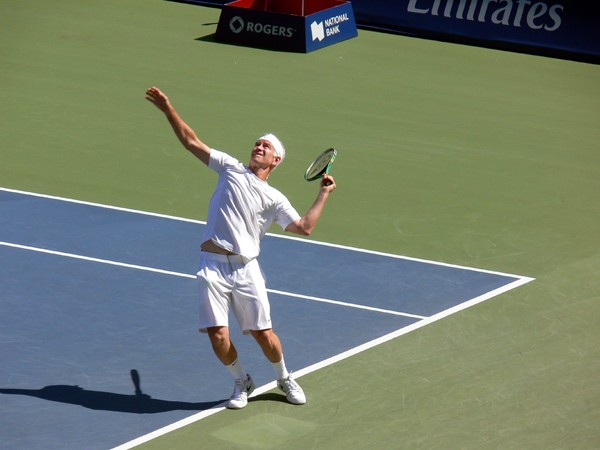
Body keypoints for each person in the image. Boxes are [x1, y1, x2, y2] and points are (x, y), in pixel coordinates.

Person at [144, 86, 336, 409]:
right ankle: (241, 380)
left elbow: (305, 227)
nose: (258, 146)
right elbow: (191, 141)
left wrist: (323, 194)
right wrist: (168, 109)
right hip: (212, 264)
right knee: (218, 336)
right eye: (257, 142)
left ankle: (284, 376)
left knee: (265, 336)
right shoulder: (230, 168)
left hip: (247, 269)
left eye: (266, 146)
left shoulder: (275, 199)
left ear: (276, 160)